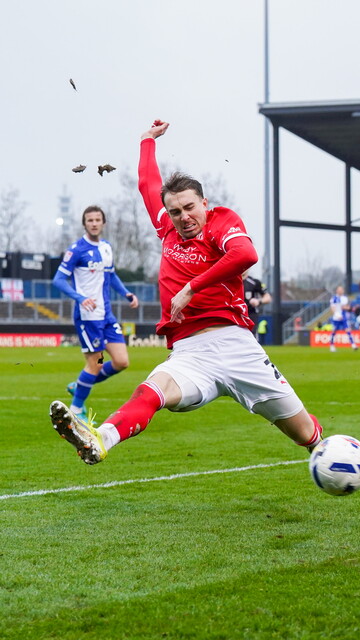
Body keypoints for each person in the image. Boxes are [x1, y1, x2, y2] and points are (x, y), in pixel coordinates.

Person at [48, 120, 323, 465]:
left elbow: (246, 255)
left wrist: (192, 287)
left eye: (190, 207)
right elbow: (147, 183)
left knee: (305, 434)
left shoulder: (221, 222)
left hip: (236, 345)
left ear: (204, 203)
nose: (184, 217)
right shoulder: (167, 229)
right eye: (175, 211)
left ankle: (329, 453)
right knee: (151, 391)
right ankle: (101, 439)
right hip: (190, 352)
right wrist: (147, 141)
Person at [53, 205, 140, 424]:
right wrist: (81, 298)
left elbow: (111, 276)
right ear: (85, 224)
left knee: (121, 361)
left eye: (97, 219)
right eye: (89, 220)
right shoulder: (77, 249)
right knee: (97, 362)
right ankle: (76, 409)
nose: (94, 223)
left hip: (107, 316)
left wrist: (126, 293)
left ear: (103, 222)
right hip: (88, 316)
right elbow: (58, 280)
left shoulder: (107, 248)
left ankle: (80, 385)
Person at [243, 271, 272, 342]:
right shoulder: (229, 282)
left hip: (250, 314)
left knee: (251, 336)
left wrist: (258, 301)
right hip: (235, 314)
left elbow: (268, 297)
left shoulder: (254, 282)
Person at [329, 285, 358, 352]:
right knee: (334, 331)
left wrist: (347, 308)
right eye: (339, 289)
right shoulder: (334, 298)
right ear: (337, 290)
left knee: (348, 330)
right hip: (336, 317)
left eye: (342, 289)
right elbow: (332, 307)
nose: (341, 291)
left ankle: (353, 345)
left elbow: (346, 307)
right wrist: (336, 314)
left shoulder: (345, 298)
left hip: (344, 317)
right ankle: (332, 345)